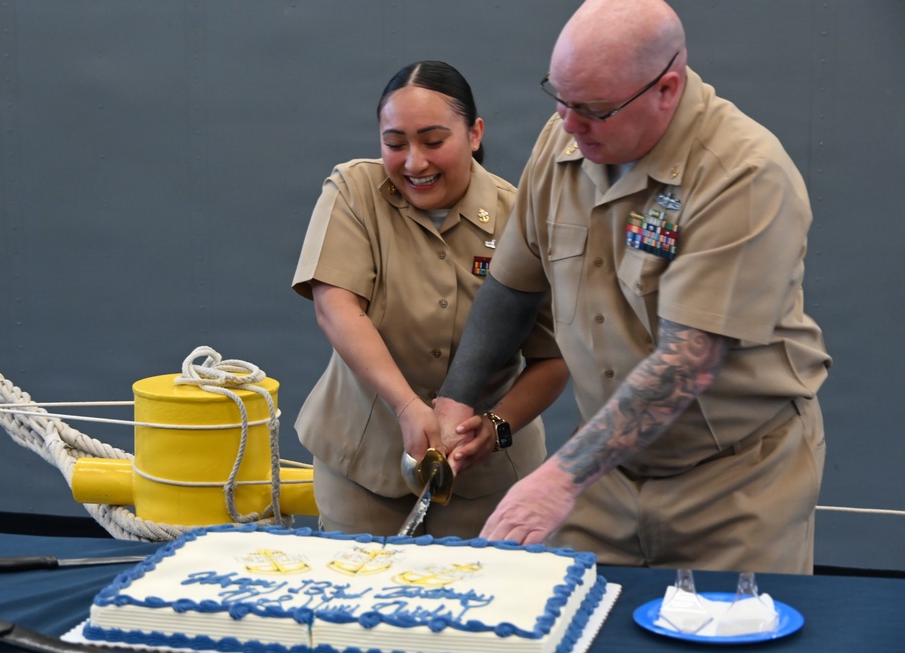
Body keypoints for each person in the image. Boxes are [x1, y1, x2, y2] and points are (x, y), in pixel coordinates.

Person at [435, 0, 830, 574]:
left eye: (593, 109)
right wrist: (455, 399)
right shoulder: (566, 137)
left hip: (734, 481)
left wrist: (560, 477)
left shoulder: (742, 173)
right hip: (606, 473)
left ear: (665, 89)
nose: (569, 124)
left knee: (725, 641)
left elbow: (688, 362)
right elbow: (513, 285)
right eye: (560, 98)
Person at [292, 61, 569, 539]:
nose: (414, 163)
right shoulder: (355, 191)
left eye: (433, 141)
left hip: (485, 480)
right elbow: (336, 306)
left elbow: (556, 356)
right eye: (395, 144)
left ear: (475, 133)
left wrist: (498, 425)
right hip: (363, 471)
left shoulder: (520, 218)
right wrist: (406, 407)